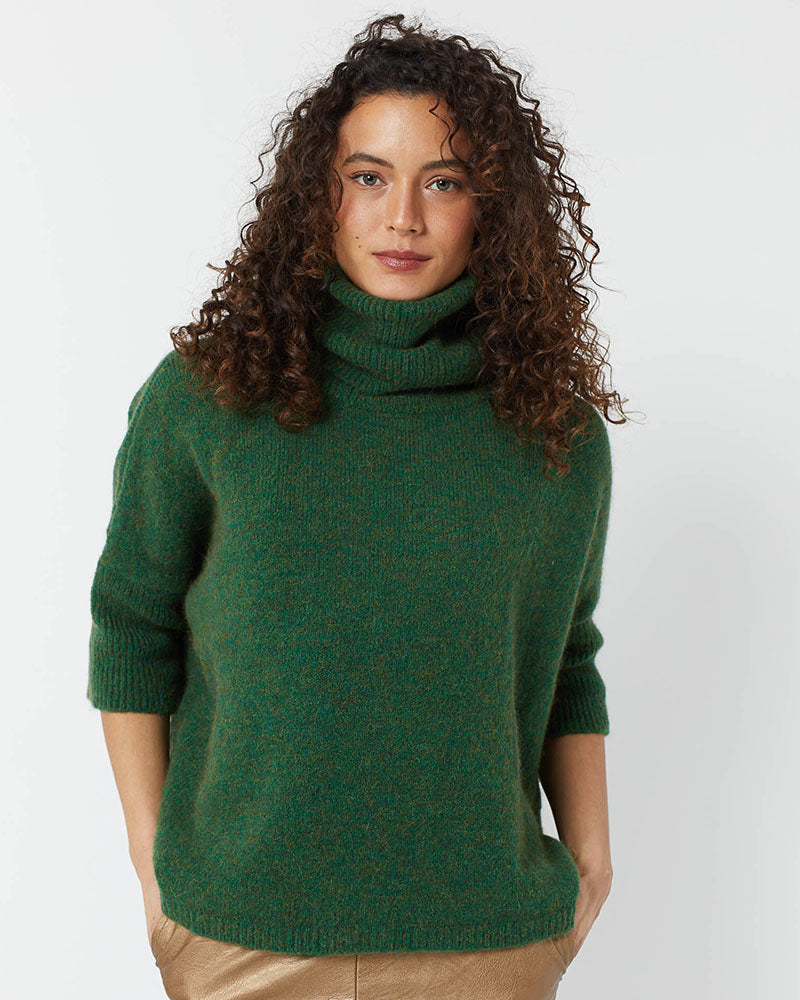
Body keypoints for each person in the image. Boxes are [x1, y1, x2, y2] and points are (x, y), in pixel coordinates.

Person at [87, 13, 628, 1000]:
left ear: (492, 206)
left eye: (444, 181)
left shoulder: (554, 433)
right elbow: (132, 627)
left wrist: (591, 862)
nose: (403, 217)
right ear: (318, 194)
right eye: (368, 177)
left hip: (484, 940)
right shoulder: (209, 397)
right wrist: (152, 865)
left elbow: (563, 657)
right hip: (242, 933)